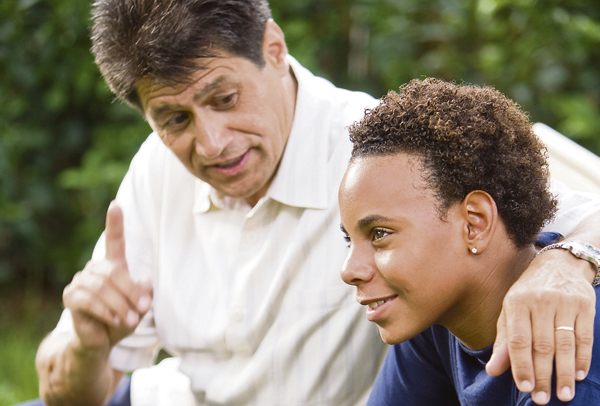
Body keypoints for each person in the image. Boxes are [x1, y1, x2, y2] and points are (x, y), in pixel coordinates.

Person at [29, 1, 600, 405]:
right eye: (173, 120)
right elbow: (73, 392)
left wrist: (569, 261)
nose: (212, 143)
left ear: (273, 49)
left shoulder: (379, 156)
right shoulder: (155, 169)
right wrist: (85, 342)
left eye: (225, 98)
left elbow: (532, 215)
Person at [339, 78, 600, 405]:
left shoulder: (563, 343)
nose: (349, 271)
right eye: (349, 238)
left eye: (379, 234)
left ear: (475, 224)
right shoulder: (432, 312)